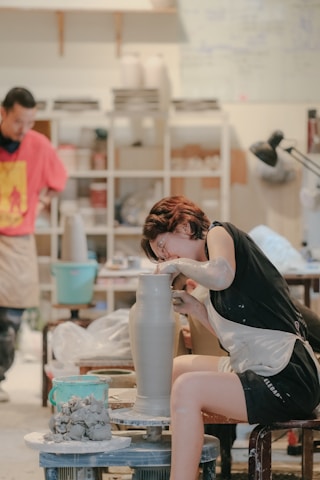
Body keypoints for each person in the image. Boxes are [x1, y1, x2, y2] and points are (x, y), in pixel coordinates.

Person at [141, 195, 320, 480]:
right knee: (177, 369)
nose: (166, 258)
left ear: (186, 225)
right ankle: (175, 463)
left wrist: (178, 266)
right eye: (161, 257)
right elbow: (233, 340)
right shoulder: (209, 281)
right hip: (257, 365)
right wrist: (196, 309)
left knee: (188, 388)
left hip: (287, 375)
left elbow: (221, 274)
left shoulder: (220, 234)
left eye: (163, 247)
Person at [0, 87, 67, 402]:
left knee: (10, 321)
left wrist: (42, 202)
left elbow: (57, 181)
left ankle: (0, 373)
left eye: (29, 122)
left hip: (18, 240)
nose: (23, 130)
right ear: (3, 113)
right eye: (17, 122)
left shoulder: (39, 145)